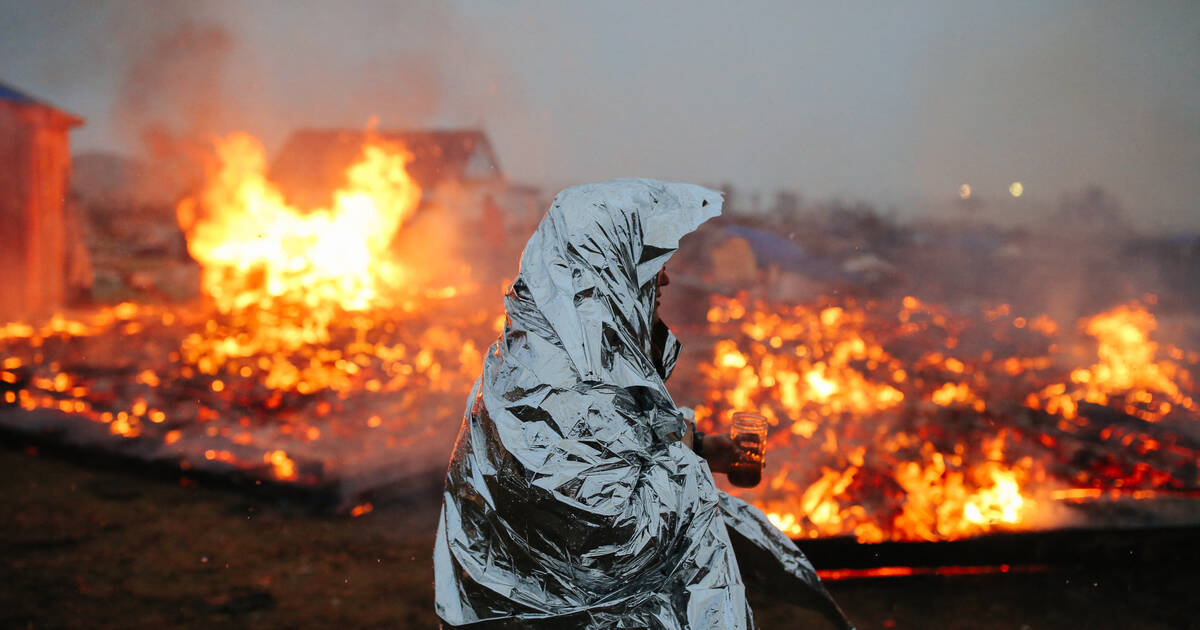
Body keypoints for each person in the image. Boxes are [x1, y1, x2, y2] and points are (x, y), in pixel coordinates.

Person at [434, 179, 853, 629]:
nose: (667, 276)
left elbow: (615, 454)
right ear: (605, 269)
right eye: (650, 260)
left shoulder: (554, 353)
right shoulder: (564, 382)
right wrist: (685, 461)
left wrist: (701, 447)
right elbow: (621, 536)